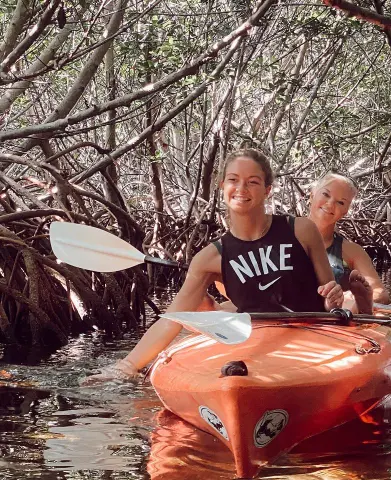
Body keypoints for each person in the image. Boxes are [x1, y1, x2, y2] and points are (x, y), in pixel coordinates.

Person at [87, 149, 344, 382]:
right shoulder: (209, 258)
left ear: (267, 190)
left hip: (311, 335)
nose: (241, 188)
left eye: (253, 182)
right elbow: (172, 319)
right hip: (256, 342)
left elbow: (330, 295)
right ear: (223, 186)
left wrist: (334, 299)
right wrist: (127, 365)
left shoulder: (301, 230)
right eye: (233, 180)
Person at [307, 172, 390, 314]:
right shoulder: (283, 235)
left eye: (341, 202)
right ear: (312, 195)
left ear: (345, 211)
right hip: (289, 312)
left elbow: (380, 293)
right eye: (326, 195)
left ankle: (355, 305)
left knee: (350, 304)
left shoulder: (352, 251)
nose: (330, 204)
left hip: (334, 318)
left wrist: (350, 298)